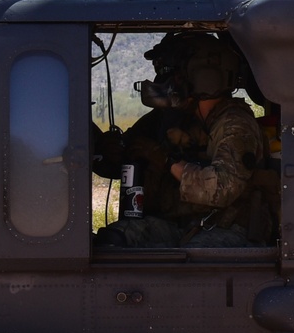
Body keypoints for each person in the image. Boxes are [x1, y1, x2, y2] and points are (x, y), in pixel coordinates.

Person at [96, 32, 271, 248]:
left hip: (228, 230)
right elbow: (122, 157)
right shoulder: (176, 118)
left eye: (176, 75)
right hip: (182, 227)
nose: (169, 82)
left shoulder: (235, 125)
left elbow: (221, 189)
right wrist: (111, 149)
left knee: (194, 257)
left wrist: (167, 161)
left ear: (201, 78)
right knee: (115, 238)